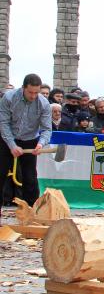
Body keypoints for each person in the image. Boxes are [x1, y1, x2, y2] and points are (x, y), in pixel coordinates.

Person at [0, 74, 52, 215]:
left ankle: (32, 211)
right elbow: (3, 123)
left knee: (30, 177)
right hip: (6, 138)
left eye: (36, 92)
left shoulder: (44, 104)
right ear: (23, 87)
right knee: (1, 172)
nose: (33, 96)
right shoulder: (9, 98)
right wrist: (12, 145)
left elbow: (47, 129)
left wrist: (40, 144)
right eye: (30, 92)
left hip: (30, 139)